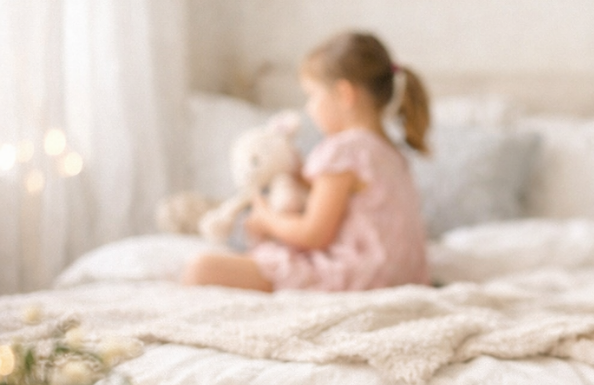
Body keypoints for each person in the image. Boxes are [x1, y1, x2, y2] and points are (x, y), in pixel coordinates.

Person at [183, 31, 432, 292]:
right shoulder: (393, 154)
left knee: (199, 268)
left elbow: (313, 235)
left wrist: (267, 218)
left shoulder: (342, 151)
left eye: (312, 95)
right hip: (402, 278)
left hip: (356, 278)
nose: (309, 108)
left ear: (344, 94)